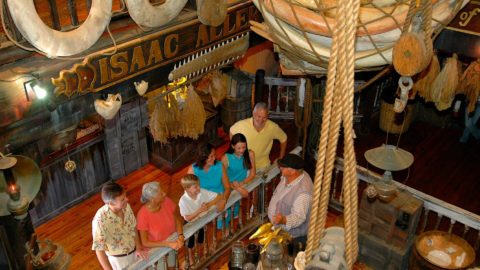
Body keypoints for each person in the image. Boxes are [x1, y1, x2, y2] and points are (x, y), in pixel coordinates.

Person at [92, 182, 147, 270]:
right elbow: (99, 249)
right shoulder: (100, 220)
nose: (127, 199)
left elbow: (133, 227)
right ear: (111, 203)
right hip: (119, 261)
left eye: (125, 196)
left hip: (134, 252)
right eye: (122, 199)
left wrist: (138, 247)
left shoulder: (126, 206)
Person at [267, 154, 313, 254]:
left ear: (293, 171)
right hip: (278, 230)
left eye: (283, 167)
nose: (280, 168)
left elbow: (299, 217)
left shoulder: (303, 193)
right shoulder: (289, 176)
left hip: (291, 238)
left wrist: (284, 220)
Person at [136, 182, 184, 270]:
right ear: (152, 199)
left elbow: (176, 220)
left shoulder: (166, 201)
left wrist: (180, 235)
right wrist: (167, 244)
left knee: (172, 266)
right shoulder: (142, 215)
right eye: (161, 194)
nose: (164, 194)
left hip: (171, 243)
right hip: (155, 251)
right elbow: (145, 242)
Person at [178, 174, 222, 265]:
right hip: (190, 225)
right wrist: (200, 210)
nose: (199, 188)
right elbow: (188, 218)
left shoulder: (201, 191)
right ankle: (190, 257)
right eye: (195, 187)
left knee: (200, 239)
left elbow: (218, 196)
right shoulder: (183, 201)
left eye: (198, 185)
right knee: (190, 244)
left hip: (201, 222)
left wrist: (208, 206)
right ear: (187, 189)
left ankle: (199, 253)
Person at [229, 102, 287, 171]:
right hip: (245, 164)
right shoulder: (242, 125)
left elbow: (284, 139)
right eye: (258, 116)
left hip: (263, 165)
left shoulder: (273, 127)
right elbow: (231, 131)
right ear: (253, 113)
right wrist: (235, 149)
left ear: (267, 116)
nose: (261, 120)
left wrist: (281, 158)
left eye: (264, 117)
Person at [187, 143, 229, 213]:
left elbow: (227, 187)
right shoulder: (192, 170)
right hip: (203, 204)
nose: (214, 158)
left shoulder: (220, 166)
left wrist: (224, 200)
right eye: (211, 156)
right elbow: (189, 192)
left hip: (219, 201)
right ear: (203, 157)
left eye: (214, 155)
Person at [221, 133, 256, 217]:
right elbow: (222, 178)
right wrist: (235, 187)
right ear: (233, 146)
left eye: (244, 147)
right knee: (224, 215)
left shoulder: (250, 153)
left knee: (235, 212)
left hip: (240, 185)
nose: (242, 150)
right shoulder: (226, 158)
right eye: (239, 148)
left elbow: (253, 173)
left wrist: (241, 184)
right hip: (228, 187)